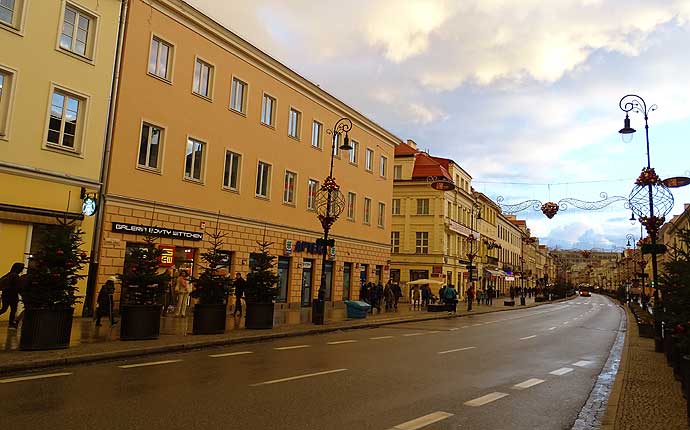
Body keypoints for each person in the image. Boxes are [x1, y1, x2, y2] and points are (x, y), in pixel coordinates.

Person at [0, 262, 24, 329]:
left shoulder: (8, 274)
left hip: (5, 294)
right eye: (21, 269)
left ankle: (11, 323)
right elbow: (17, 287)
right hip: (12, 295)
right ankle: (11, 324)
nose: (21, 270)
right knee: (13, 310)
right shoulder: (15, 276)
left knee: (4, 309)